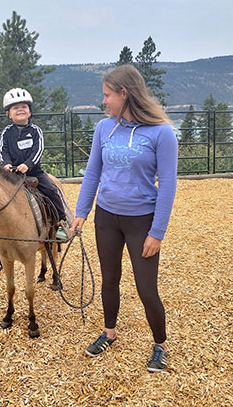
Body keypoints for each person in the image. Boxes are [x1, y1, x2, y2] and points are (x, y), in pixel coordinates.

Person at [71, 64, 178, 373]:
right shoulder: (105, 128)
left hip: (141, 221)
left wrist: (157, 232)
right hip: (106, 217)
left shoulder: (162, 133)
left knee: (147, 289)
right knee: (110, 280)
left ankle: (160, 345)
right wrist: (82, 211)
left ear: (124, 93)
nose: (104, 101)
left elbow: (168, 185)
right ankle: (109, 332)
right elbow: (93, 171)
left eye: (107, 95)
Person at [0, 87, 72, 239]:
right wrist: (6, 164)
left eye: (24, 107)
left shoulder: (35, 131)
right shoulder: (6, 132)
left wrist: (28, 164)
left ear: (30, 112)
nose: (20, 110)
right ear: (8, 114)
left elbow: (38, 150)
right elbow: (2, 150)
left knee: (52, 190)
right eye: (15, 108)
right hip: (12, 174)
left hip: (34, 172)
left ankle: (61, 222)